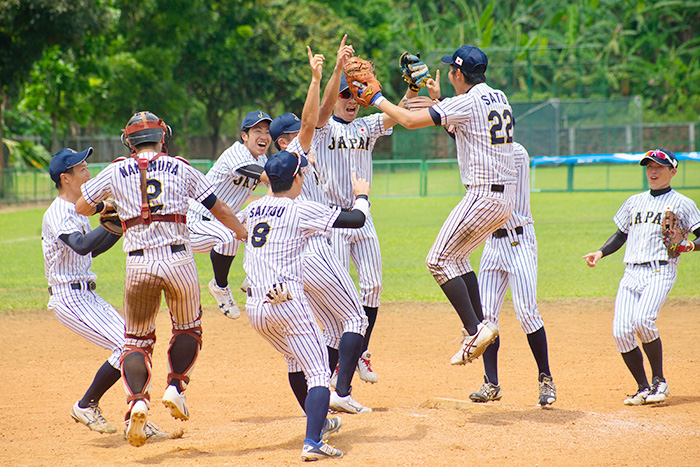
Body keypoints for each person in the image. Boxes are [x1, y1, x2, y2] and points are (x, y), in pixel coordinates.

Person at [76, 111, 247, 447]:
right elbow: (218, 207)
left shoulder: (114, 169)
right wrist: (240, 231)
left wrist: (108, 205)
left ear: (129, 140)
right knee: (187, 329)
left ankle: (138, 400)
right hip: (178, 259)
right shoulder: (181, 166)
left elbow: (82, 206)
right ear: (162, 136)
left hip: (138, 263)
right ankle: (175, 386)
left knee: (136, 341)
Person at [363, 44, 517, 363]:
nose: (448, 73)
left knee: (437, 260)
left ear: (458, 74)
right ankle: (481, 324)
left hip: (483, 195)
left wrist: (376, 98)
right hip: (505, 198)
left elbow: (407, 120)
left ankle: (474, 329)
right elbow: (465, 124)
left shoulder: (468, 102)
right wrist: (438, 98)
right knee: (457, 260)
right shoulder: (498, 96)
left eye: (451, 70)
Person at [239, 149, 372, 460]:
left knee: (295, 361)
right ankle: (313, 441)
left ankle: (320, 422)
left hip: (256, 309)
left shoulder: (253, 209)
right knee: (317, 372)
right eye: (301, 173)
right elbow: (356, 219)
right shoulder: (299, 209)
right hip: (288, 304)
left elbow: (224, 240)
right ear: (296, 178)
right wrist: (361, 195)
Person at [269, 43, 371, 415]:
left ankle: (318, 394)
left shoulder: (273, 172)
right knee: (355, 317)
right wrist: (318, 77)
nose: (307, 131)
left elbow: (320, 115)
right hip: (314, 248)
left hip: (286, 261)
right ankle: (336, 390)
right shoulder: (295, 154)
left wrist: (330, 73)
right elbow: (315, 118)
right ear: (286, 141)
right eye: (297, 132)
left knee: (324, 329)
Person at [42, 147, 168, 440]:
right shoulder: (58, 212)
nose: (89, 173)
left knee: (133, 343)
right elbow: (82, 245)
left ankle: (133, 416)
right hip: (69, 297)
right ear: (66, 178)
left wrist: (119, 227)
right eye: (82, 169)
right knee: (128, 346)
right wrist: (120, 221)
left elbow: (94, 250)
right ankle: (91, 406)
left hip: (85, 295)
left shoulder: (78, 210)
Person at [311, 40, 403, 383]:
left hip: (363, 216)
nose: (351, 101)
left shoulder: (367, 127)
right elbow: (320, 112)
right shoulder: (323, 130)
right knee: (341, 295)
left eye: (356, 96)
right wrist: (336, 71)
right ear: (337, 96)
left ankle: (359, 352)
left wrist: (408, 91)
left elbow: (399, 116)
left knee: (373, 286)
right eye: (346, 95)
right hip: (333, 220)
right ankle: (334, 361)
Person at [583, 148, 700, 405]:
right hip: (631, 272)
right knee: (621, 331)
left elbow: (699, 235)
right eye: (649, 167)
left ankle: (660, 381)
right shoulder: (634, 201)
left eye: (659, 167)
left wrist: (690, 245)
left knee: (642, 321)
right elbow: (621, 234)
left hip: (661, 269)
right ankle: (642, 387)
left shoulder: (683, 203)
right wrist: (601, 252)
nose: (653, 171)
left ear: (673, 171)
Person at [469, 142, 556, 406]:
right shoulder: (484, 150)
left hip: (520, 241)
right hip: (492, 243)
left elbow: (491, 169)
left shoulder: (515, 152)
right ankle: (491, 383)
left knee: (527, 313)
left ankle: (546, 379)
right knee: (485, 318)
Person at [187, 110, 272, 318]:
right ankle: (220, 286)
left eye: (268, 132)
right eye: (257, 131)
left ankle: (254, 276)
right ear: (244, 136)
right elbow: (269, 177)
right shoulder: (236, 153)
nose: (264, 136)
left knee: (271, 218)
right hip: (196, 221)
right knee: (230, 235)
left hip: (224, 220)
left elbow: (275, 190)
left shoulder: (262, 160)